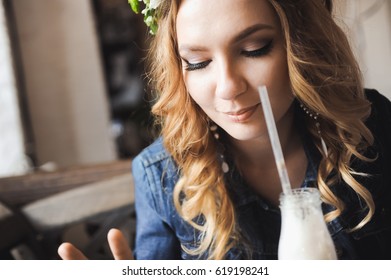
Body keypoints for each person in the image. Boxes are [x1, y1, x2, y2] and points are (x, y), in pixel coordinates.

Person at [58, 0, 391, 260]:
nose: (228, 88)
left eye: (255, 49)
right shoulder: (161, 176)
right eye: (198, 62)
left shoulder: (369, 127)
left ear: (302, 44)